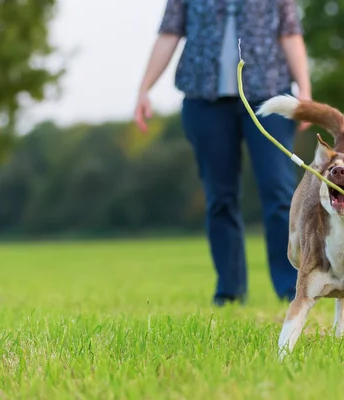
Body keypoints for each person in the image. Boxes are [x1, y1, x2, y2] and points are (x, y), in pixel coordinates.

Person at [134, 0, 312, 306]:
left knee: (280, 195)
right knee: (219, 198)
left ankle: (290, 289)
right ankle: (230, 292)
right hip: (205, 101)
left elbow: (290, 33)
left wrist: (305, 92)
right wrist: (144, 89)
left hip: (269, 97)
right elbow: (169, 34)